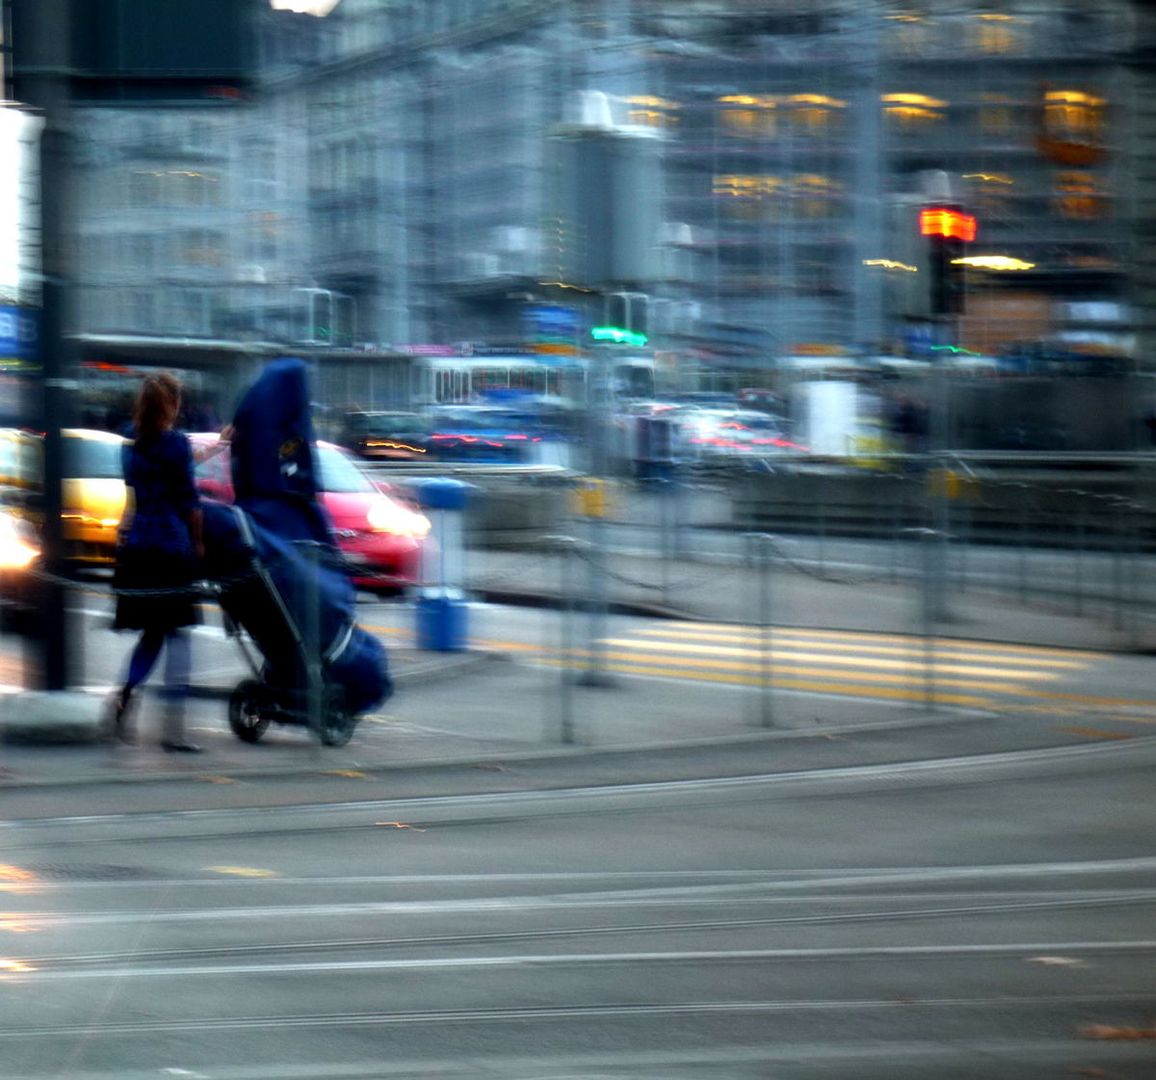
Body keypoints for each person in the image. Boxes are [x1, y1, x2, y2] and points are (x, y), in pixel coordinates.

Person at [106, 373, 209, 752]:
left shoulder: (130, 445)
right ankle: (174, 730)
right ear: (173, 404)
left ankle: (125, 696)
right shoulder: (175, 444)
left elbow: (138, 494)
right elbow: (190, 502)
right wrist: (198, 543)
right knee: (179, 634)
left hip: (137, 550)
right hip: (169, 549)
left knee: (152, 633)